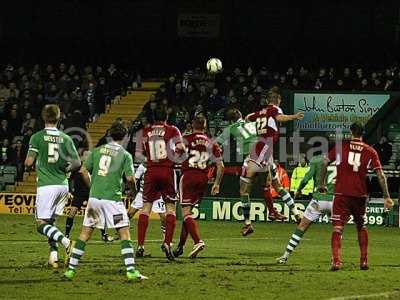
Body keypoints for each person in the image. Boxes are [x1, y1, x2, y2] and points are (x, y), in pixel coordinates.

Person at [64, 123, 147, 281]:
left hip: (94, 199)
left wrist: (92, 186)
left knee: (85, 233)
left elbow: (82, 171)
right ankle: (131, 270)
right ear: (124, 137)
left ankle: (71, 270)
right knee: (124, 232)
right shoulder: (124, 154)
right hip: (112, 201)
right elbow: (130, 178)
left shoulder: (96, 151)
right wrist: (134, 192)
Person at [320, 122, 393, 271]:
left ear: (351, 131)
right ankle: (364, 261)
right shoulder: (370, 151)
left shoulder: (341, 147)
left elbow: (325, 162)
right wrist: (387, 196)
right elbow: (380, 175)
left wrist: (321, 183)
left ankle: (336, 261)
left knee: (338, 228)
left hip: (341, 194)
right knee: (361, 226)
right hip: (359, 194)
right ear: (363, 133)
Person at [239, 91, 304, 236]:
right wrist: (294, 117)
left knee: (246, 189)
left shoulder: (261, 111)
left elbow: (248, 117)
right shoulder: (275, 109)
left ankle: (249, 223)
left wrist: (245, 122)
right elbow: (279, 117)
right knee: (272, 185)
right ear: (278, 100)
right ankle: (292, 213)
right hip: (264, 148)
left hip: (261, 148)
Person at [24, 104, 81, 269]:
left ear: (43, 117)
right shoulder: (66, 138)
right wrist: (66, 170)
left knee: (41, 224)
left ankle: (67, 242)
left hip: (46, 186)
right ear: (59, 117)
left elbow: (28, 162)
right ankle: (53, 258)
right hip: (63, 186)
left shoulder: (36, 137)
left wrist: (29, 164)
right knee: (52, 222)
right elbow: (77, 162)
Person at [216, 108, 285, 221]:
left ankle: (247, 222)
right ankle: (272, 211)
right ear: (241, 115)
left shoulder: (230, 128)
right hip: (263, 156)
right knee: (266, 187)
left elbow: (217, 143)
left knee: (244, 191)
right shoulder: (252, 123)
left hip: (249, 159)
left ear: (230, 121)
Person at [135, 108, 186, 260]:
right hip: (167, 171)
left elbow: (138, 155)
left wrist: (150, 161)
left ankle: (140, 246)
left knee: (145, 209)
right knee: (170, 208)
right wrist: (175, 158)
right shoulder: (172, 129)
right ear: (167, 117)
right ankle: (167, 243)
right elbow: (181, 148)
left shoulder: (144, 131)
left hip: (151, 171)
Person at [174, 116, 224, 258]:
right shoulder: (212, 143)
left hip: (188, 176)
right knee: (188, 214)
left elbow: (176, 157)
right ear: (205, 126)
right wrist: (216, 184)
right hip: (203, 178)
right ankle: (181, 246)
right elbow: (221, 166)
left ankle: (198, 241)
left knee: (185, 213)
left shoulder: (186, 138)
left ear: (192, 125)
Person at [277, 148, 335, 264]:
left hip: (319, 200)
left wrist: (298, 190)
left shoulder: (316, 160)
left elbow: (306, 179)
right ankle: (335, 259)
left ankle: (285, 256)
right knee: (337, 229)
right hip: (335, 200)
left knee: (302, 226)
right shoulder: (340, 161)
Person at [64, 149, 115, 242]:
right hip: (79, 194)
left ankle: (104, 235)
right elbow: (70, 179)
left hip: (91, 193)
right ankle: (66, 235)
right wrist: (70, 191)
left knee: (97, 214)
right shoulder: (77, 168)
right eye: (87, 156)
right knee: (72, 213)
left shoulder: (94, 168)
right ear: (83, 157)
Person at [126, 161, 166, 257]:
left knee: (164, 217)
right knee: (129, 214)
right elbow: (135, 179)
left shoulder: (161, 166)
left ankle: (166, 241)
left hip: (157, 195)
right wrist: (134, 192)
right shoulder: (142, 166)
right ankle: (122, 232)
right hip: (142, 193)